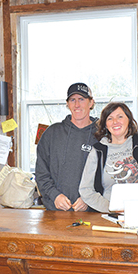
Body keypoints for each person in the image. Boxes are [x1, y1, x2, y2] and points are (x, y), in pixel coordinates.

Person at [35, 83, 98, 211]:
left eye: (82, 99)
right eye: (72, 100)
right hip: (55, 212)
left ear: (91, 103)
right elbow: (41, 173)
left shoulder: (102, 135)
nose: (77, 105)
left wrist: (88, 198)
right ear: (67, 104)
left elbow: (107, 176)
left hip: (91, 213)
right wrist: (55, 195)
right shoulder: (51, 133)